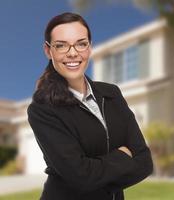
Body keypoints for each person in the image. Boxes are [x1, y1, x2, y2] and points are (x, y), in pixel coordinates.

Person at [27, 12, 153, 200]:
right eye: (61, 45)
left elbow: (144, 162)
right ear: (48, 50)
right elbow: (80, 177)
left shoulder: (112, 94)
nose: (72, 52)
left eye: (81, 43)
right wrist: (123, 156)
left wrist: (96, 178)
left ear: (89, 47)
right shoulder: (42, 109)